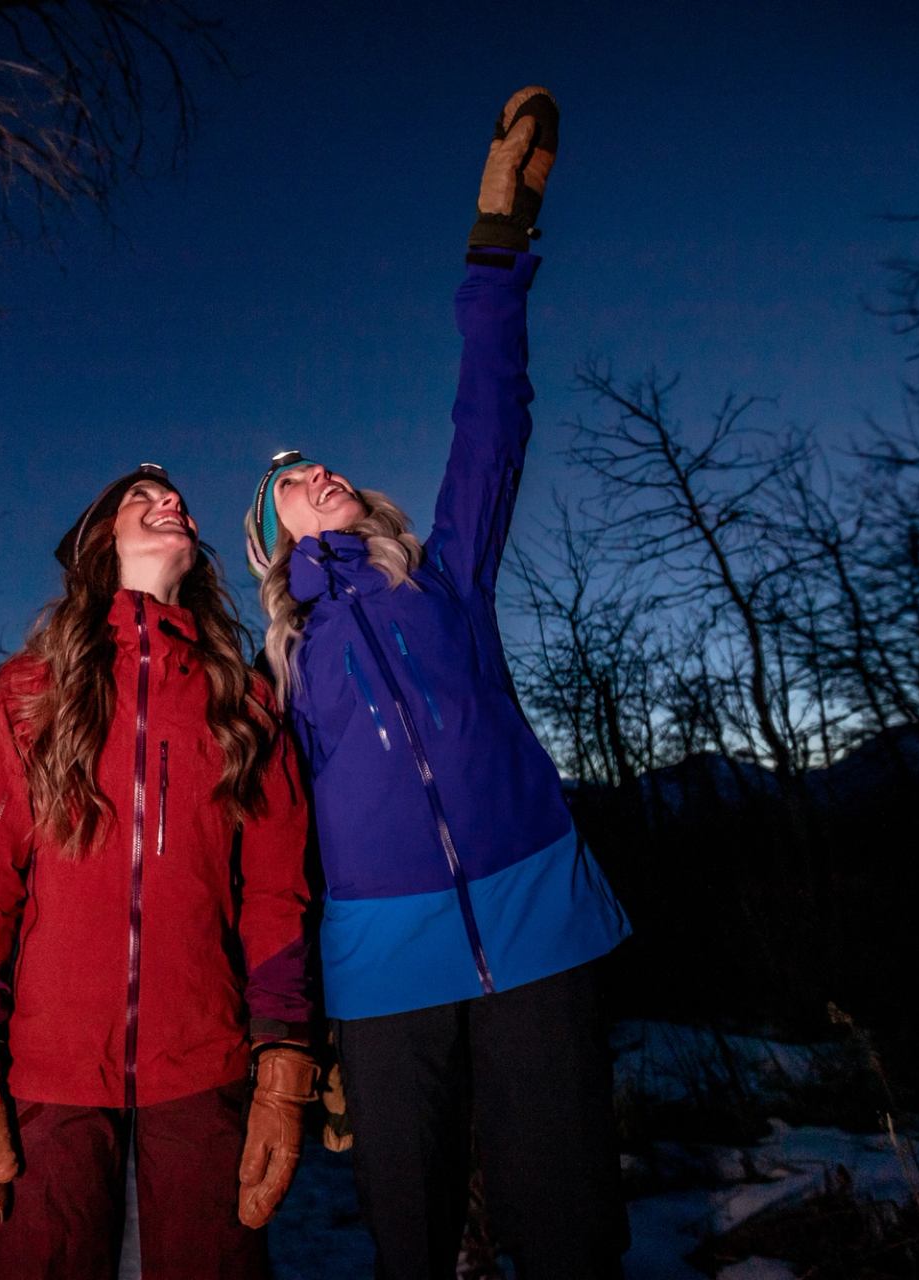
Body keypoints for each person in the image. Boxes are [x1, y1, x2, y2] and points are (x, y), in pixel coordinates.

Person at [241, 89, 632, 1279]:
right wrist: (299, 1022)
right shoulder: (281, 664)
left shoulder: (443, 578)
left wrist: (496, 245)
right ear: (267, 536)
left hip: (537, 915)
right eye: (299, 480)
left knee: (562, 1223)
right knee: (408, 1239)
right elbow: (270, 847)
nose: (327, 473)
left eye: (330, 464)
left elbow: (490, 416)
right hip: (379, 960)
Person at [0, 464, 318, 1277]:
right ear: (101, 542)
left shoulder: (243, 702)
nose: (170, 501)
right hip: (52, 1066)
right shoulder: (29, 692)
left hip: (205, 1062)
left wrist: (284, 1046)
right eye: (141, 498)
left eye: (173, 498)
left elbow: (277, 894)